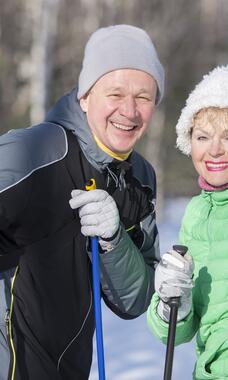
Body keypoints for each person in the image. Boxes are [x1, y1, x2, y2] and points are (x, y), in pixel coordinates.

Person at [0, 24, 165, 380]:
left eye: (144, 97)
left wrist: (113, 241)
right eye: (115, 94)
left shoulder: (139, 178)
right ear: (85, 96)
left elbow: (134, 301)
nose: (130, 111)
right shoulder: (35, 151)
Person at [147, 65, 228, 379]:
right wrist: (171, 303)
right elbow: (179, 332)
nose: (215, 150)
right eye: (203, 136)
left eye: (227, 136)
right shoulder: (196, 214)